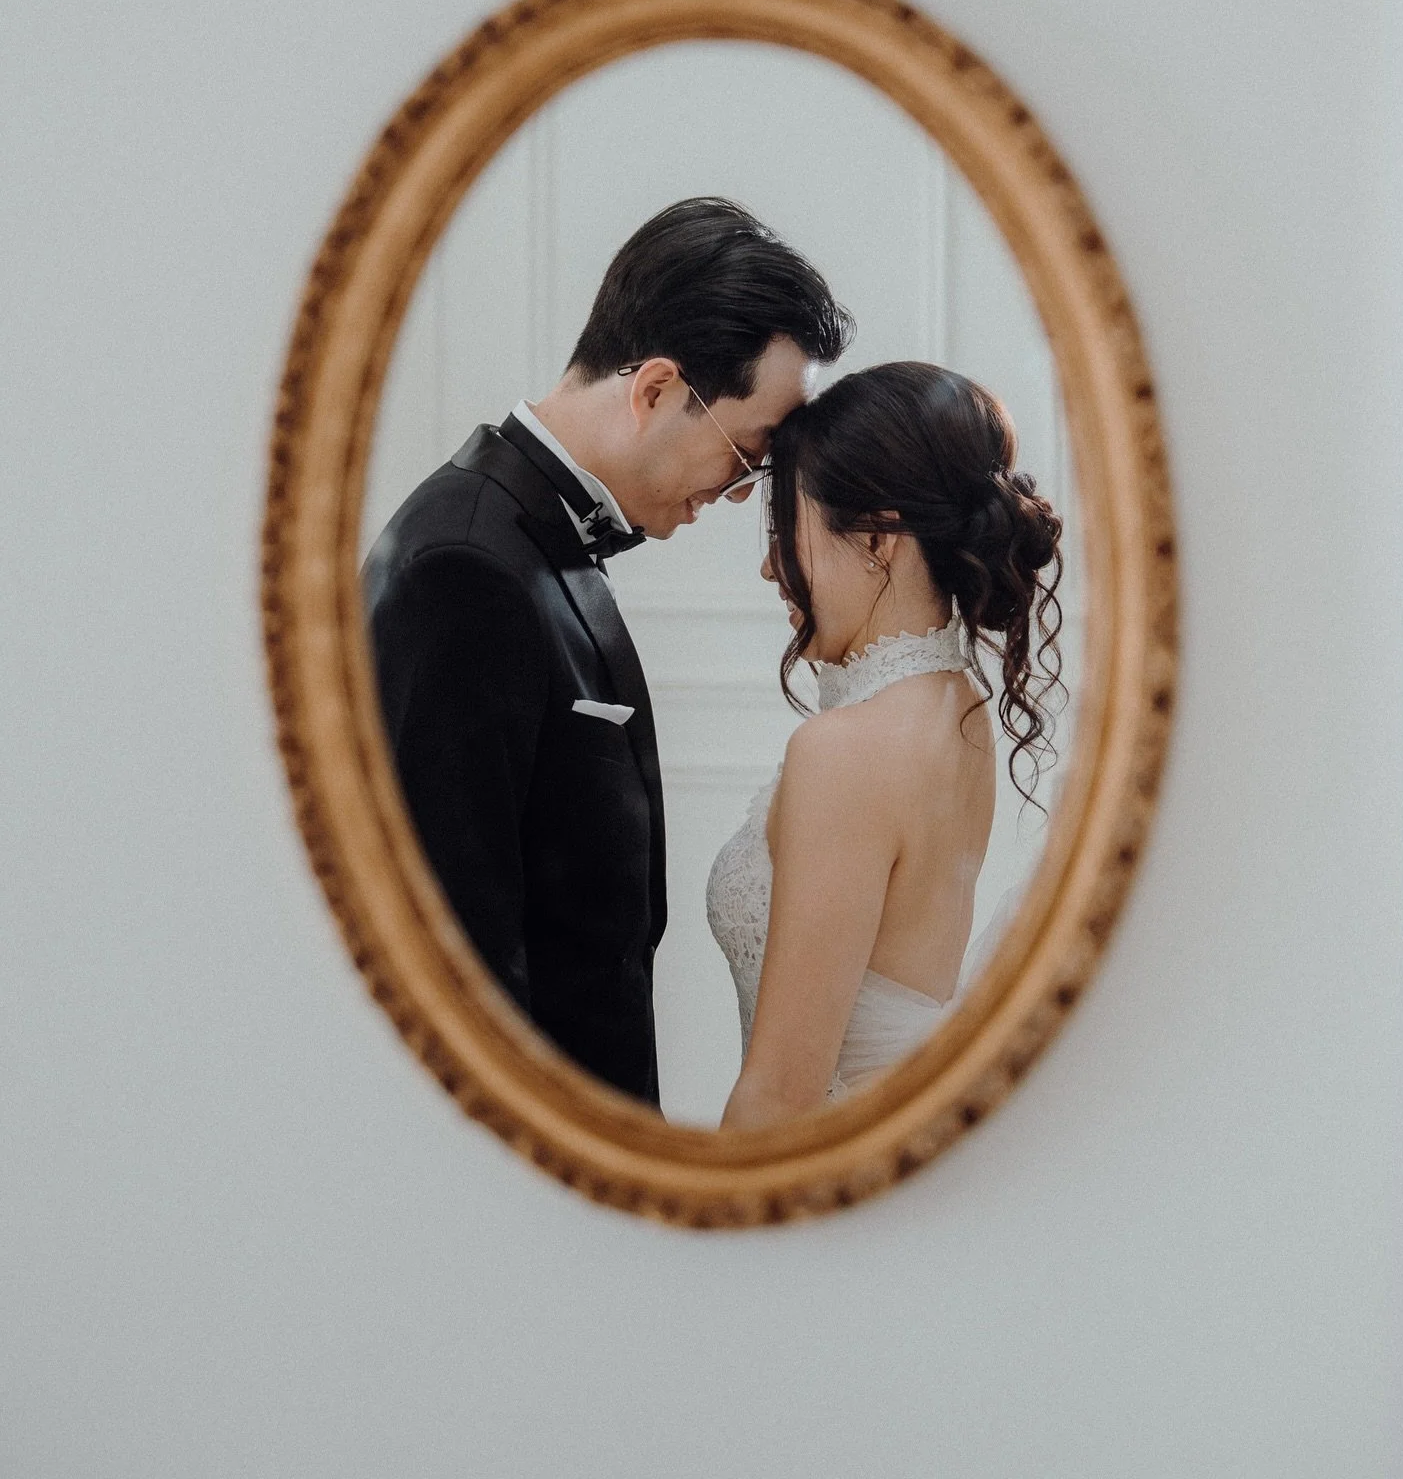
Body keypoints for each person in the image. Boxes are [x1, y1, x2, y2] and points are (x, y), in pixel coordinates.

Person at [362, 197, 853, 1109]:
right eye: (747, 456)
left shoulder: (530, 534)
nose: (742, 495)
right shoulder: (462, 570)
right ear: (656, 389)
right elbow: (451, 961)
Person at [706, 361, 1064, 1128]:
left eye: (784, 531)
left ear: (876, 537)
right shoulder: (957, 707)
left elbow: (780, 1094)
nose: (770, 567)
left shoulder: (846, 750)